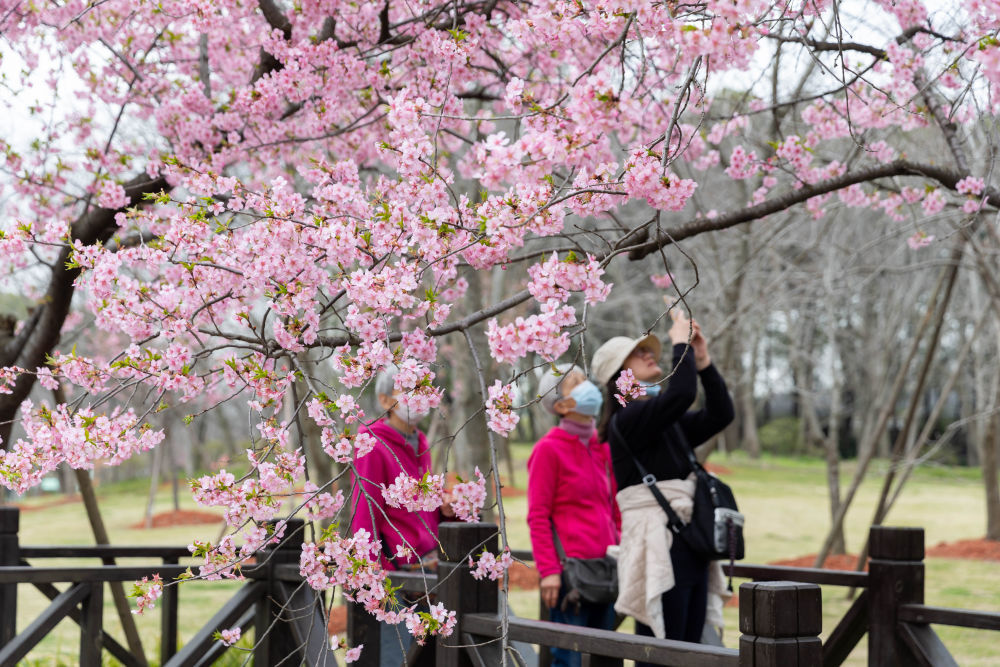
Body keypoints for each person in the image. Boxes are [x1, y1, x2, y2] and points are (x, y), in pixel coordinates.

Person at [592, 308, 734, 656]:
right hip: (661, 544)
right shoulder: (628, 420)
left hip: (687, 542)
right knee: (662, 651)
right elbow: (682, 394)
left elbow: (722, 414)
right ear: (620, 374)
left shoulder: (658, 420)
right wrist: (680, 343)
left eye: (650, 351)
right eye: (638, 353)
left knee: (688, 648)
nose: (649, 355)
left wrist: (701, 359)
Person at [350, 364, 455, 666]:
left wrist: (446, 508)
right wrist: (370, 571)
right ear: (385, 401)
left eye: (420, 389)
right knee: (394, 656)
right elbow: (365, 510)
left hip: (428, 567)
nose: (415, 397)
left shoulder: (420, 442)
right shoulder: (372, 443)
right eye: (406, 390)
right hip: (394, 572)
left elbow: (418, 506)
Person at [527, 363, 621, 667]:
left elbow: (614, 507)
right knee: (570, 660)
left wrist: (621, 546)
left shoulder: (604, 448)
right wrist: (549, 571)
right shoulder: (548, 450)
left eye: (584, 379)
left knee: (608, 659)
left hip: (608, 569)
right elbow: (538, 516)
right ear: (561, 404)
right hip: (571, 576)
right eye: (574, 383)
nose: (586, 386)